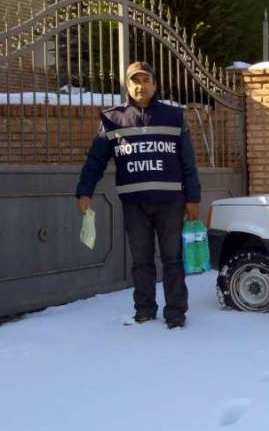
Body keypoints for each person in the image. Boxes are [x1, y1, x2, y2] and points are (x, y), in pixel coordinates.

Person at [75, 61, 201, 329]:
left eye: (145, 80)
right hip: (134, 205)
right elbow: (95, 160)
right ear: (127, 85)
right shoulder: (112, 119)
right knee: (141, 261)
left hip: (170, 203)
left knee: (172, 260)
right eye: (135, 81)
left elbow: (188, 162)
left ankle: (176, 313)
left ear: (154, 84)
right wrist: (84, 191)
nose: (140, 86)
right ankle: (144, 310)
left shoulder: (174, 116)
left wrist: (193, 199)